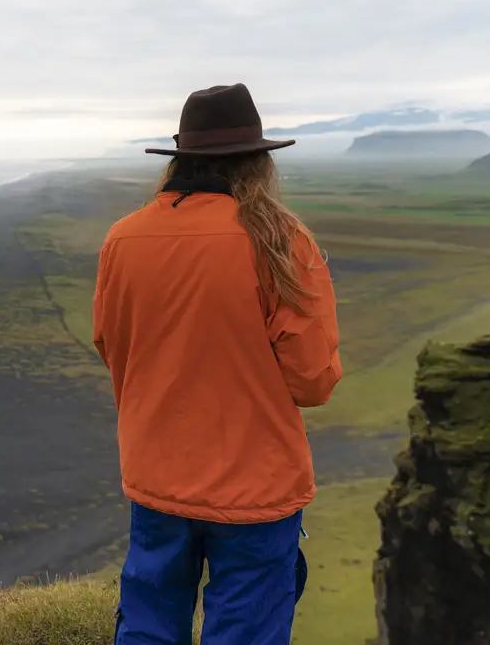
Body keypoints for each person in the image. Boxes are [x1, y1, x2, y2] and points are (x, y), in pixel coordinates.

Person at [92, 83, 342, 645]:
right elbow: (313, 381)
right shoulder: (281, 240)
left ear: (181, 158)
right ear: (257, 161)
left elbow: (111, 345)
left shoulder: (123, 239)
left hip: (156, 472)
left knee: (149, 626)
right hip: (256, 486)